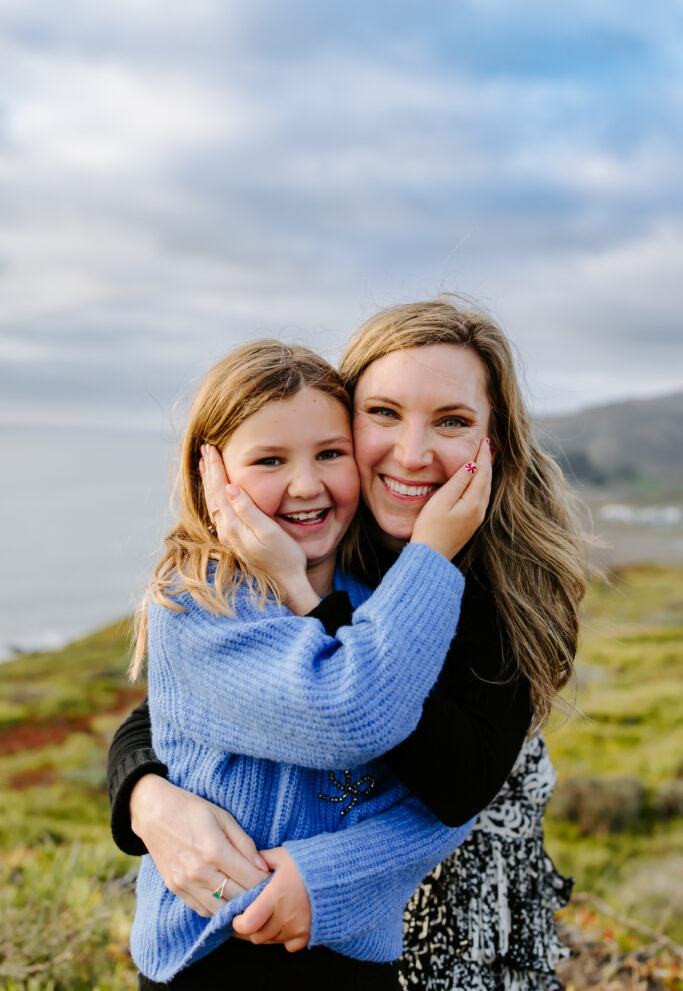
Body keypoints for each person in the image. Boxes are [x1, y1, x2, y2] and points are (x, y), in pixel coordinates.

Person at [109, 298, 587, 990]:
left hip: (465, 924)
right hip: (248, 939)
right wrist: (146, 798)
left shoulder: (503, 583)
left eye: (451, 420)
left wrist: (313, 593)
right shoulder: (316, 548)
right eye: (383, 413)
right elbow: (175, 712)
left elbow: (454, 786)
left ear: (496, 438)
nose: (412, 453)